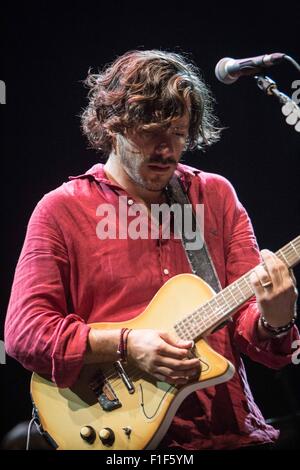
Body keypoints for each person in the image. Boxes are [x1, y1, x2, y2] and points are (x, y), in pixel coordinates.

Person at [5, 49, 299, 450]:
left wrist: (276, 319)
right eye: (150, 133)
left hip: (228, 435)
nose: (166, 150)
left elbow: (261, 343)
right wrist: (127, 344)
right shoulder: (62, 210)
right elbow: (26, 334)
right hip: (125, 440)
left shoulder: (213, 197)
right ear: (114, 125)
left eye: (178, 134)